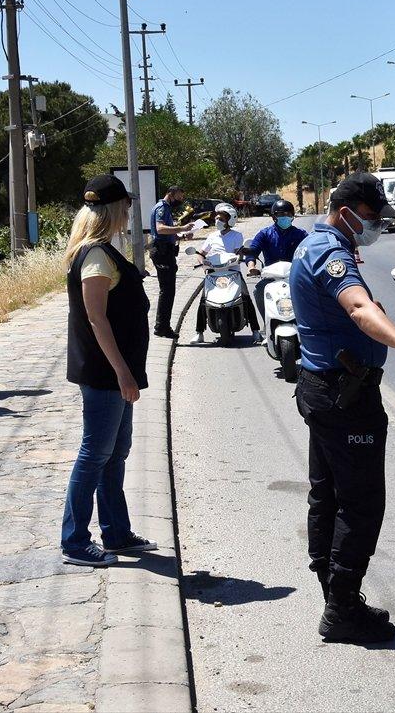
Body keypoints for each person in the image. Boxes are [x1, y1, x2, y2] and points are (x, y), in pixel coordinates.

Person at [290, 172, 395, 644]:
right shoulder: (330, 253)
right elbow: (357, 307)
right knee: (360, 503)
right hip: (344, 395)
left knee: (328, 493)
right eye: (374, 217)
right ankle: (341, 610)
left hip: (325, 388)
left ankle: (337, 597)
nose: (377, 226)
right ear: (348, 210)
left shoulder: (317, 244)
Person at [61, 175, 158, 567]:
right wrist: (123, 373)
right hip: (105, 374)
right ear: (115, 208)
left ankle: (116, 532)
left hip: (114, 371)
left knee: (115, 452)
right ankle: (74, 541)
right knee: (95, 454)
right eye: (127, 206)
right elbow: (97, 319)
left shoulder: (102, 251)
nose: (130, 212)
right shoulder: (96, 256)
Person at [244, 199, 307, 342]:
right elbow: (252, 252)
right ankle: (268, 328)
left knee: (311, 292)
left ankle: (307, 327)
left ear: (293, 216)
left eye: (288, 214)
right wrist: (252, 267)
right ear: (273, 217)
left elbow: (311, 251)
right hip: (271, 277)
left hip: (295, 275)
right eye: (281, 214)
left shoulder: (300, 234)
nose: (285, 217)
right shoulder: (265, 234)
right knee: (259, 290)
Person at [188, 204, 245, 345]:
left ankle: (256, 331)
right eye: (217, 218)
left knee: (246, 297)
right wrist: (203, 263)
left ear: (230, 220)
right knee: (203, 301)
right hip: (214, 273)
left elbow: (240, 252)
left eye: (221, 218)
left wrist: (239, 257)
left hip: (233, 272)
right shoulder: (212, 236)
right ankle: (199, 333)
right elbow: (201, 254)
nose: (217, 221)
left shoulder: (237, 236)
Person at [149, 186, 194, 338]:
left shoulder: (166, 208)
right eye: (179, 197)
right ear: (171, 193)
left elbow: (167, 234)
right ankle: (161, 327)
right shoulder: (162, 207)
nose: (180, 200)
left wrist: (181, 236)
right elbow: (160, 229)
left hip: (166, 250)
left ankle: (162, 326)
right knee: (167, 291)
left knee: (169, 291)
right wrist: (181, 227)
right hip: (162, 253)